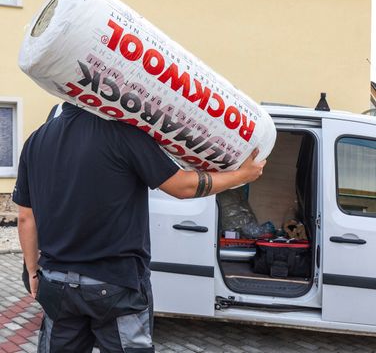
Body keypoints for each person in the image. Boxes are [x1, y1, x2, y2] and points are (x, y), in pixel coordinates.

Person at [13, 102, 266, 353]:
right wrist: (241, 176)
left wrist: (33, 271)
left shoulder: (36, 140)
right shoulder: (123, 133)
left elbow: (26, 216)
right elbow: (182, 186)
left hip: (57, 285)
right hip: (115, 285)